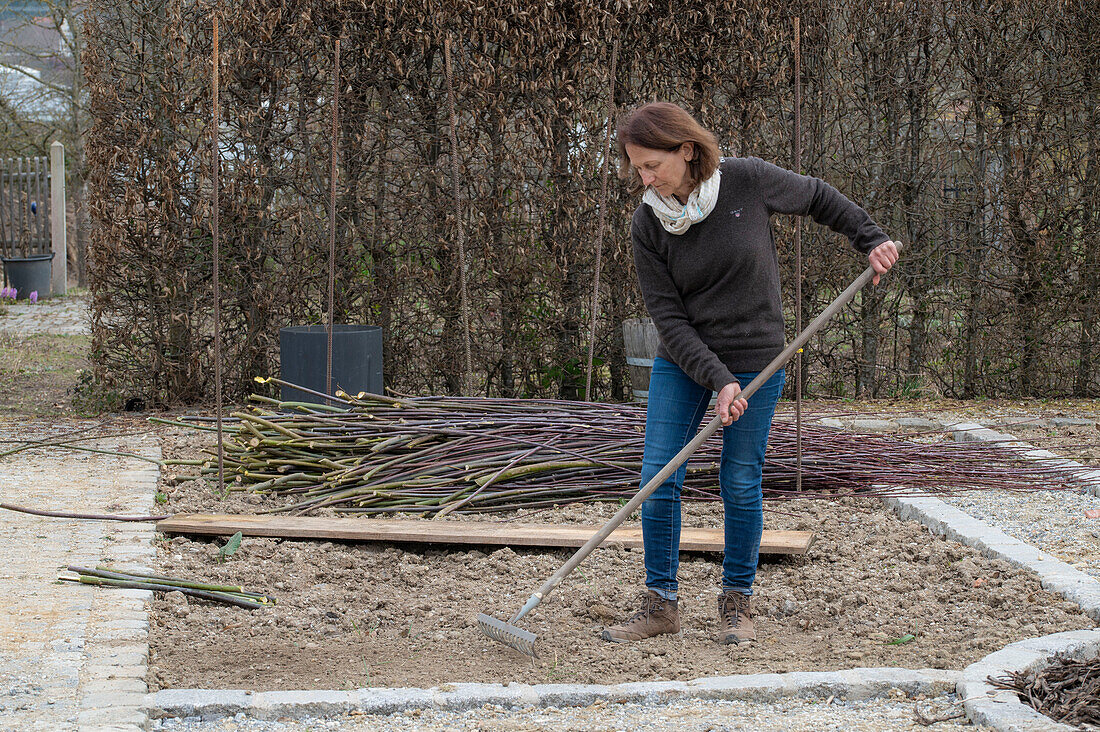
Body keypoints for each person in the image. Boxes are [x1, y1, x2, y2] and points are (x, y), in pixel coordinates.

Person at [602, 102, 898, 646]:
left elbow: (817, 196)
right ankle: (660, 603)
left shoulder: (747, 181)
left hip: (757, 358)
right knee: (657, 477)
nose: (644, 179)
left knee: (739, 480)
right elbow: (667, 316)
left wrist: (870, 238)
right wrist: (717, 379)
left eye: (652, 165)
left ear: (685, 150)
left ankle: (737, 603)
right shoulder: (648, 222)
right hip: (685, 361)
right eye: (636, 168)